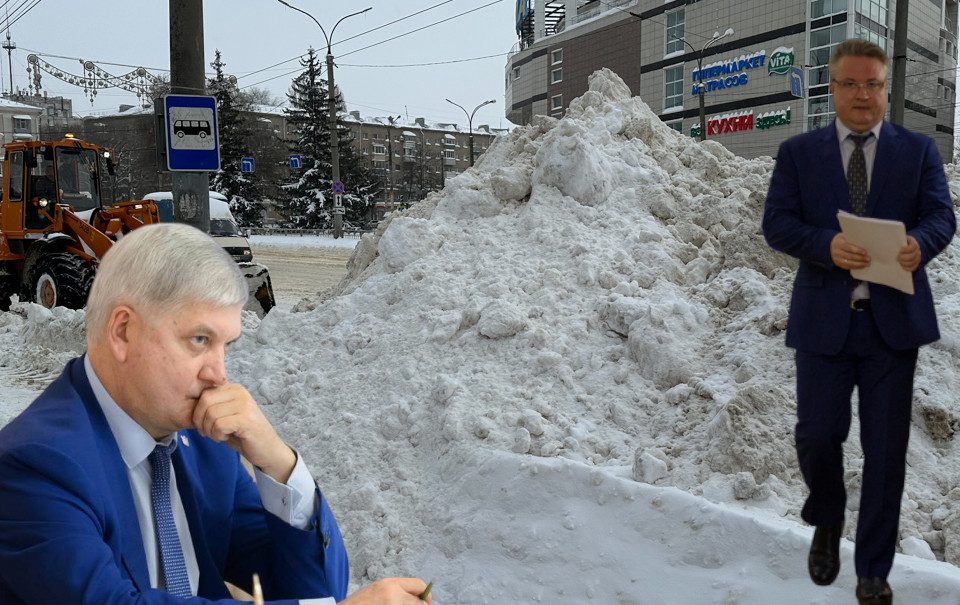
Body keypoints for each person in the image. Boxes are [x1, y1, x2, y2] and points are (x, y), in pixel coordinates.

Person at [0, 223, 431, 605]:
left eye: (228, 346)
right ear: (123, 331)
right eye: (199, 340)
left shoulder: (201, 444)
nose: (219, 375)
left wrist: (278, 461)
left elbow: (313, 591)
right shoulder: (33, 466)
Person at [762, 39, 956, 605]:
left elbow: (941, 215)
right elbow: (777, 224)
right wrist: (825, 244)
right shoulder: (799, 153)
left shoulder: (918, 151)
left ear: (885, 89)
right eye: (850, 84)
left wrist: (920, 243)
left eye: (872, 84)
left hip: (892, 327)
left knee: (885, 451)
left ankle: (873, 570)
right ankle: (826, 516)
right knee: (818, 436)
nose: (862, 95)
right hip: (824, 321)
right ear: (833, 89)